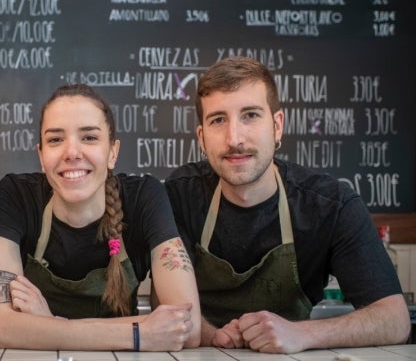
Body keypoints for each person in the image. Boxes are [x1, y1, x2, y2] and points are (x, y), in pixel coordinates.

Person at [164, 56, 410, 353]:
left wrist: (301, 335)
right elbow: (167, 304)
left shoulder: (331, 206)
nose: (234, 138)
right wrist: (212, 336)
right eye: (218, 120)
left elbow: (395, 318)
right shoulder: (178, 196)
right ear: (202, 138)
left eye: (251, 115)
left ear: (277, 125)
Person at [0, 83, 201, 351]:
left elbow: (187, 328)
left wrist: (47, 324)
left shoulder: (145, 196)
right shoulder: (16, 195)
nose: (72, 152)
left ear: (113, 152)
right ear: (41, 156)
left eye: (89, 138)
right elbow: (0, 328)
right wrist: (137, 334)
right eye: (55, 139)